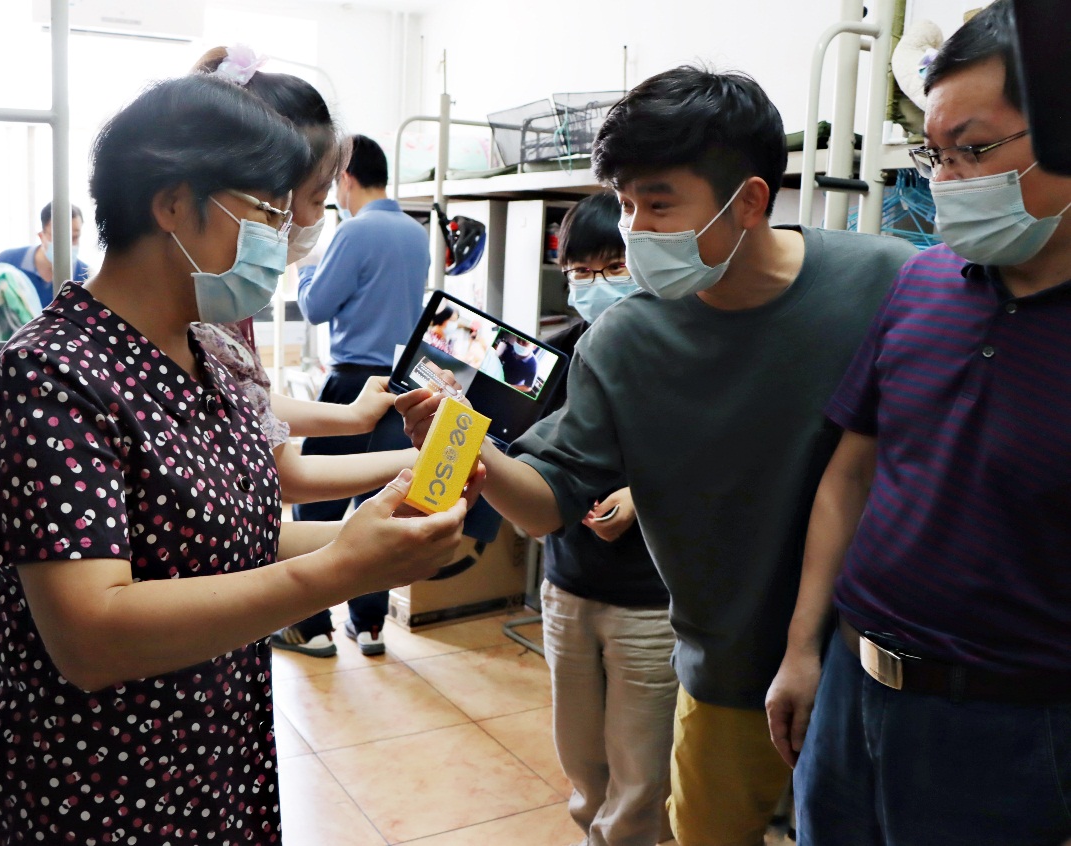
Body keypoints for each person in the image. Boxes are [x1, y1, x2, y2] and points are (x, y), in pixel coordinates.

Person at [398, 66, 916, 846]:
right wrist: (471, 446)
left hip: (872, 657)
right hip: (728, 662)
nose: (635, 229)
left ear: (749, 201)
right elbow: (548, 500)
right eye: (625, 203)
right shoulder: (625, 340)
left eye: (659, 204)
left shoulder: (884, 283)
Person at [0, 74, 478, 845]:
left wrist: (377, 533)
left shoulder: (215, 352)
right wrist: (339, 570)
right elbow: (92, 636)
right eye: (267, 211)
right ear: (173, 203)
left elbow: (232, 538)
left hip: (214, 755)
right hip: (98, 790)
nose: (282, 239)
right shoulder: (52, 375)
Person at [766, 4, 1071, 843]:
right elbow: (850, 474)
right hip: (850, 682)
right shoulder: (920, 283)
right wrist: (802, 649)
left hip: (1009, 727)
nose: (948, 180)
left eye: (974, 149)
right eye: (935, 154)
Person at [189, 46, 417, 505]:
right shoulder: (415, 231)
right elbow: (284, 471)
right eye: (312, 200)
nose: (311, 221)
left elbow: (250, 397)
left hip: (355, 375)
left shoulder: (213, 318)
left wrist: (355, 419)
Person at [540, 191, 677, 846]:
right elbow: (528, 455)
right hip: (568, 583)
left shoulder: (684, 351)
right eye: (579, 272)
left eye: (613, 267)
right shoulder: (555, 354)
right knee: (582, 763)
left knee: (642, 775)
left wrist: (641, 494)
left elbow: (725, 456)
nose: (595, 285)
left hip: (651, 600)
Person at [275, 132, 429, 658]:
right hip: (404, 382)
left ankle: (312, 627)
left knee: (317, 507)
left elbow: (316, 307)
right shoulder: (415, 232)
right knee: (381, 499)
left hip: (353, 383)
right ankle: (369, 627)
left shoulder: (355, 230)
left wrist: (307, 267)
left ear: (345, 178)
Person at [0, 201, 89, 309]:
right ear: (41, 236)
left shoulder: (85, 277)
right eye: (58, 237)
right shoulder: (6, 262)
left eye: (74, 237)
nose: (67, 244)